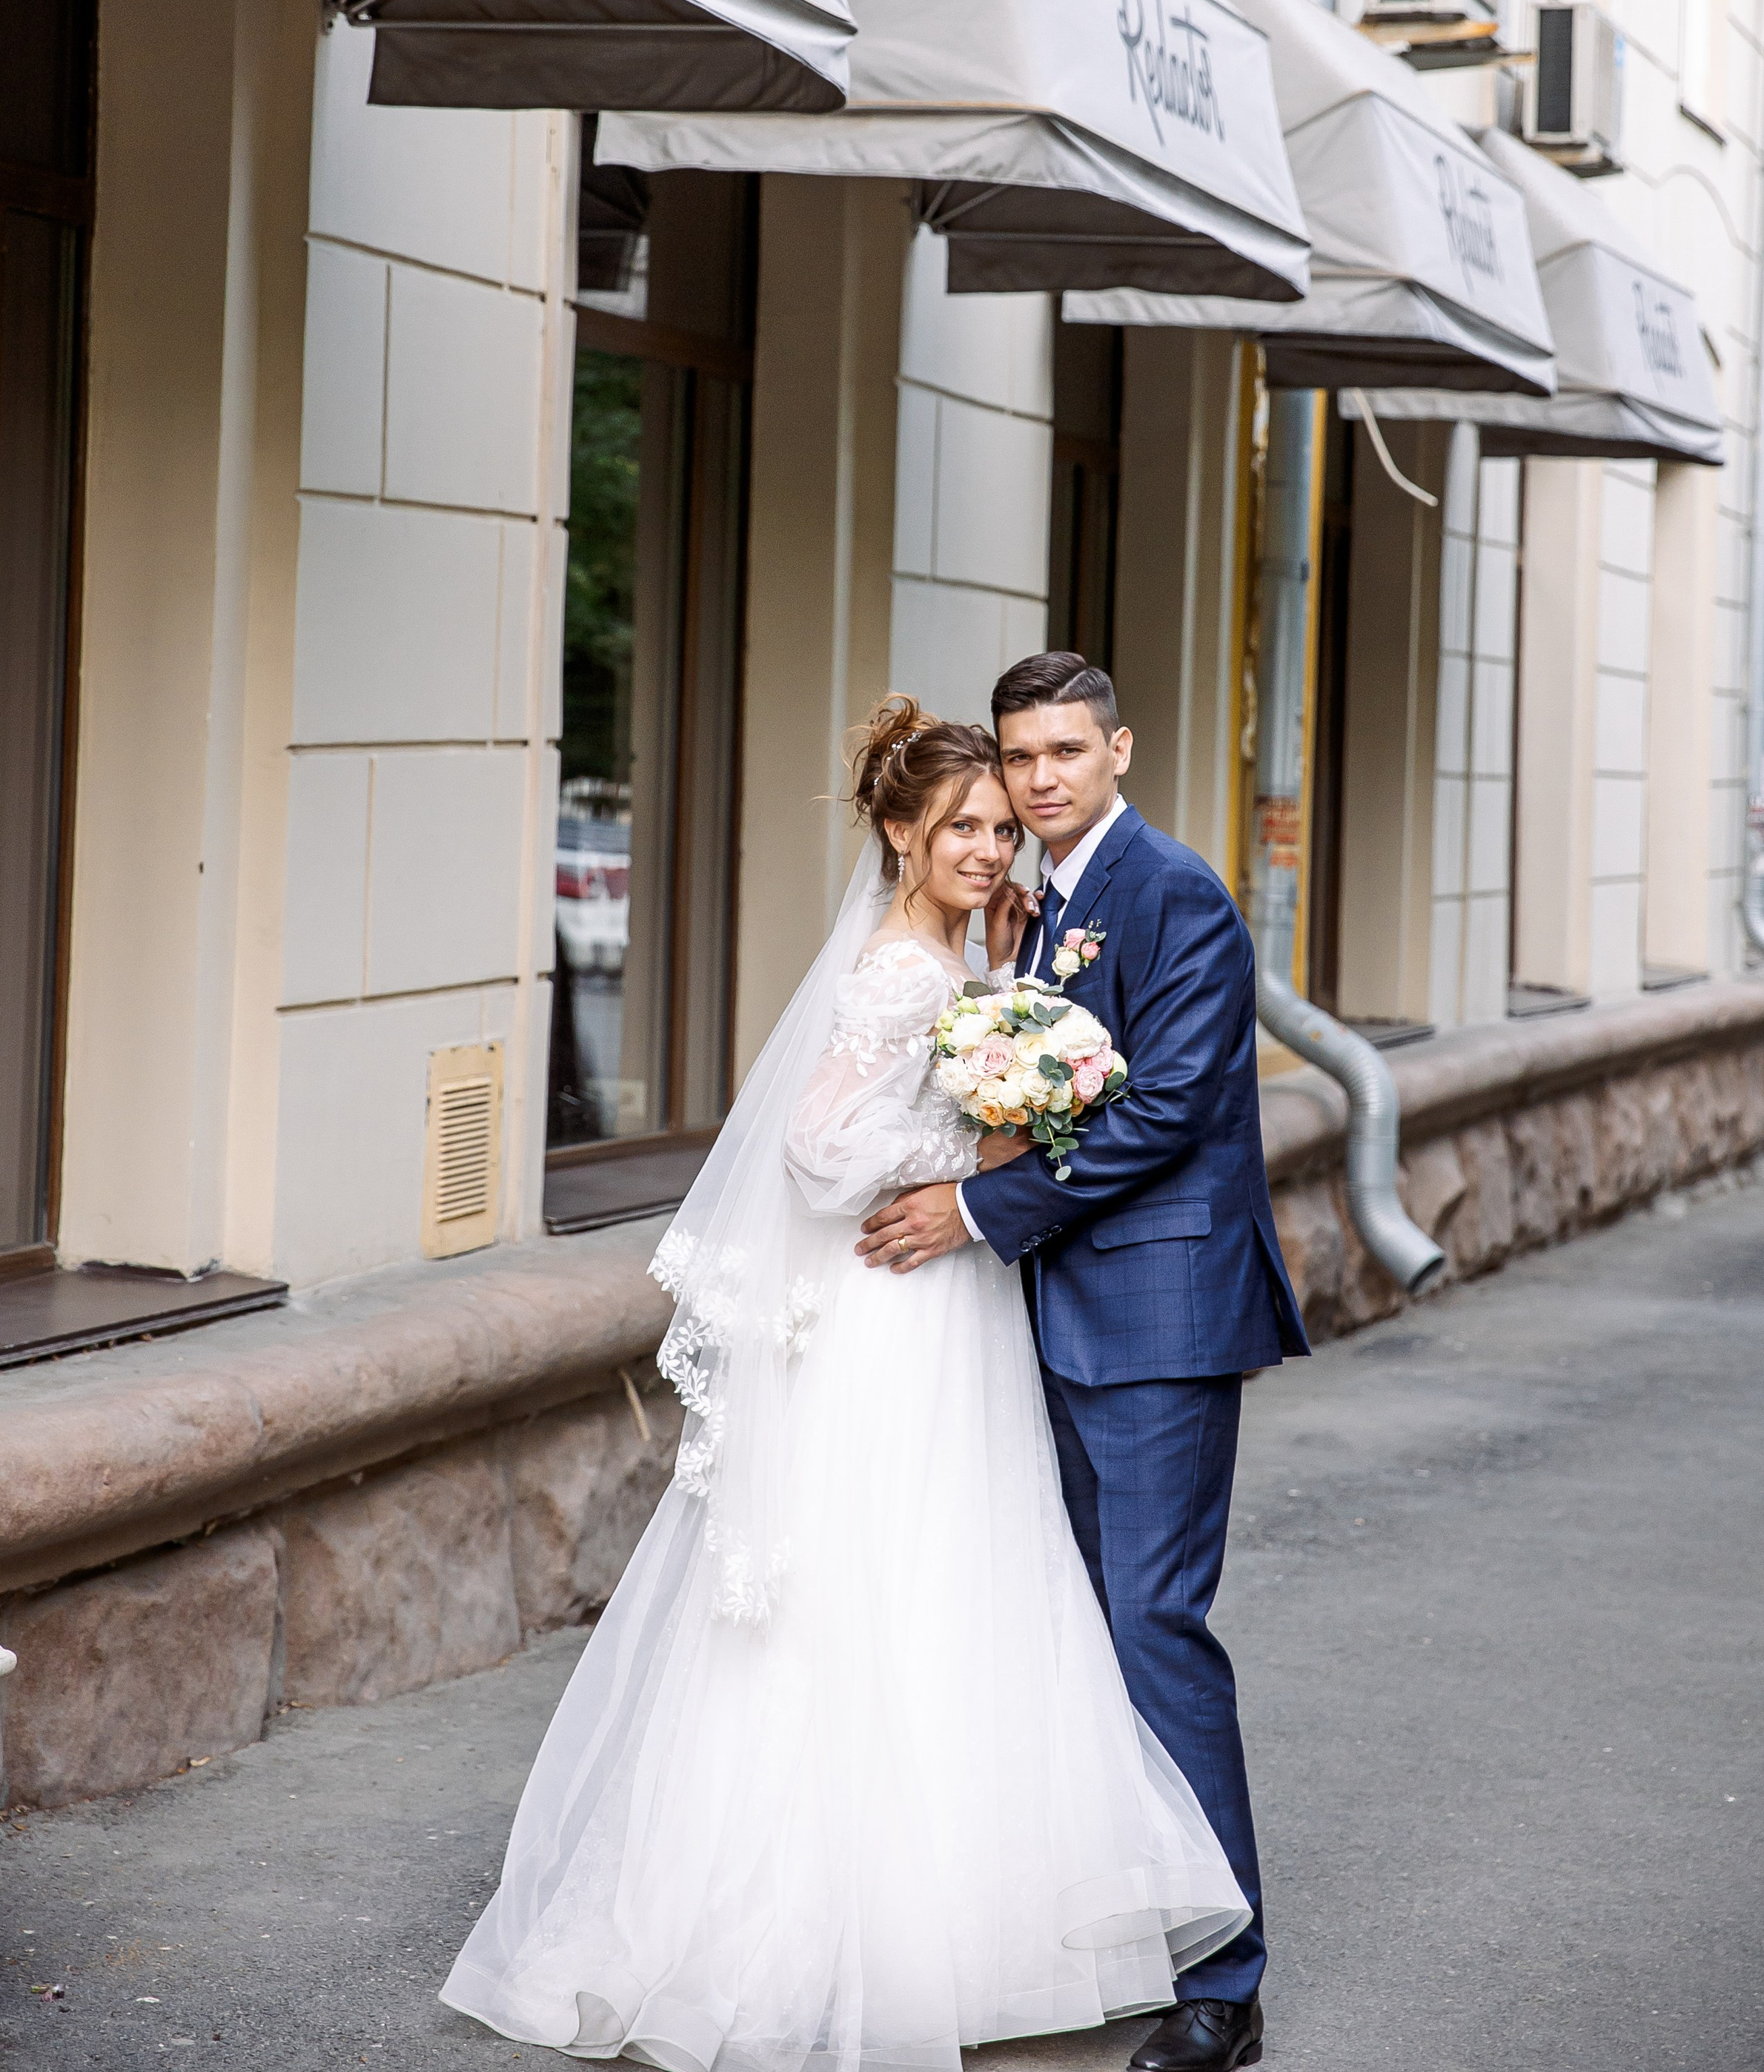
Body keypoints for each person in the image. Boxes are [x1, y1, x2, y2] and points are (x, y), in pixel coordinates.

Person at [442, 697, 1250, 2069]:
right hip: (912, 1302)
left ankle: (1106, 1953)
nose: (995, 843)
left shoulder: (1070, 915)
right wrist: (963, 1172)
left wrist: (988, 1174)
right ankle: (867, 1939)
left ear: (1115, 752)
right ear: (899, 831)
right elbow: (820, 1153)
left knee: (999, 1599)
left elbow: (1151, 1104)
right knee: (895, 1593)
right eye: (968, 824)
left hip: (983, 1300)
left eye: (1007, 818)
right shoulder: (902, 969)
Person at [860, 652, 1309, 2072]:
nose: (1041, 779)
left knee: (1154, 1628)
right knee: (1066, 1629)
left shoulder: (1173, 891)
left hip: (1158, 1320)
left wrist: (981, 1209)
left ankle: (1223, 1983)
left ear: (1120, 746)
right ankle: (1123, 1922)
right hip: (1045, 1318)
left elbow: (1169, 1104)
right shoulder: (1034, 902)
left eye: (1067, 751)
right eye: (1021, 756)